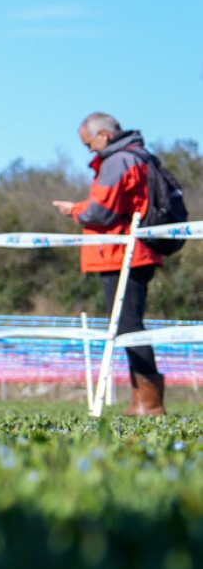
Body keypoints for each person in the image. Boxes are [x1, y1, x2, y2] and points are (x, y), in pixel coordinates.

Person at [53, 114, 169, 416]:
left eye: (89, 144)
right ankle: (142, 398)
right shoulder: (139, 156)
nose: (90, 152)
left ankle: (149, 402)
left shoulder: (118, 161)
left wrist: (74, 209)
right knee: (128, 324)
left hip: (122, 254)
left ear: (103, 135)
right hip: (134, 252)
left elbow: (100, 211)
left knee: (128, 326)